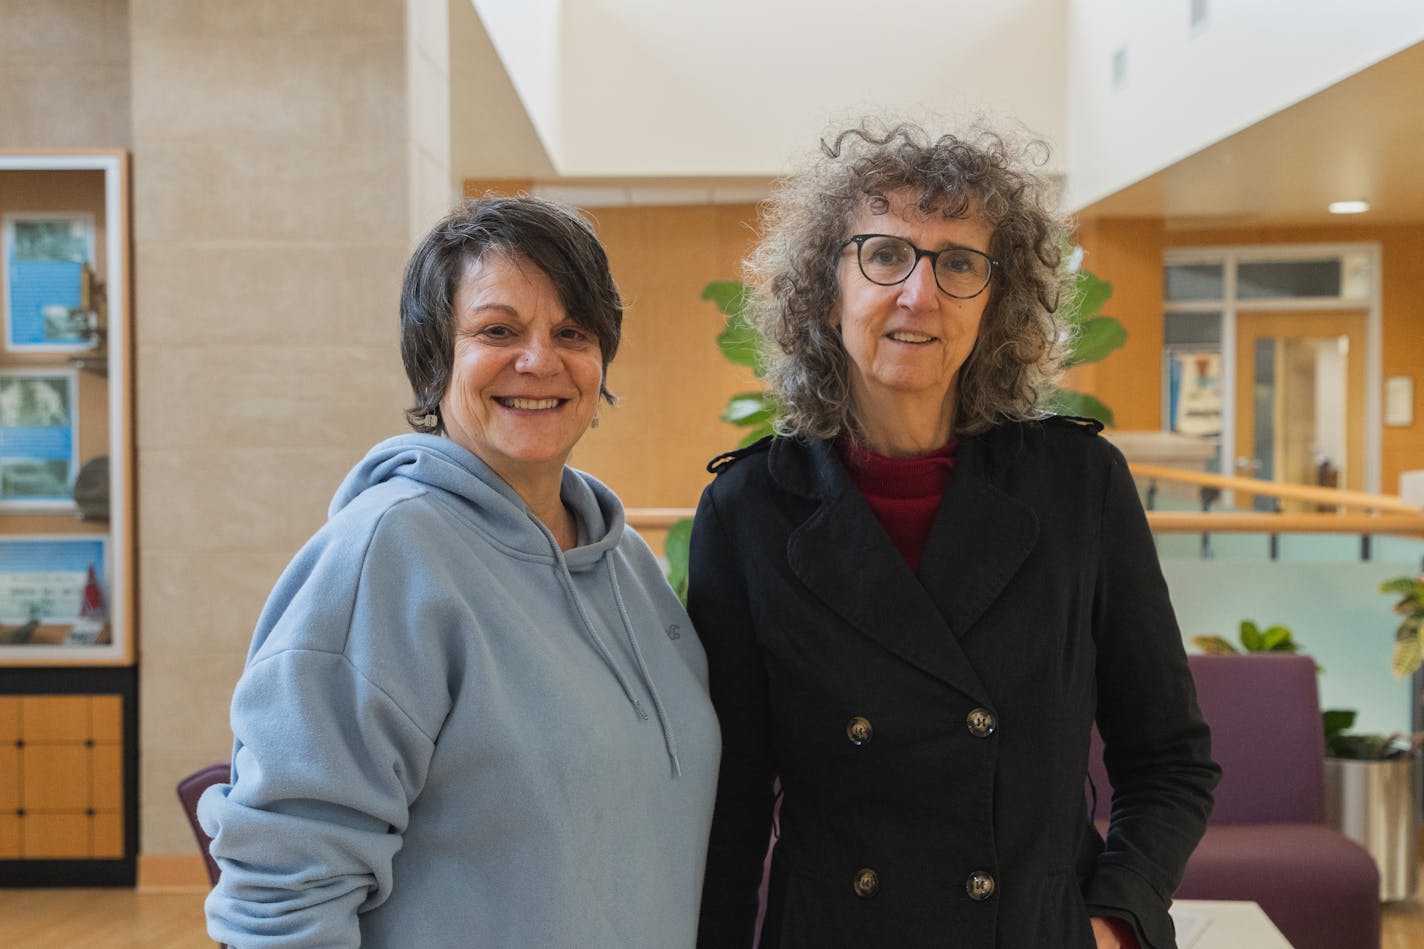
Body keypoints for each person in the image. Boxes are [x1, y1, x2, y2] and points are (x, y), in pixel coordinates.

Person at [688, 122, 1220, 949]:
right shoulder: (749, 508)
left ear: (995, 304)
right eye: (884, 254)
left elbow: (1170, 758)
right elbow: (733, 806)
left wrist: (1116, 920)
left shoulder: (1080, 488)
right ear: (827, 290)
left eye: (959, 263)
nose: (919, 293)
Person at [199, 196, 721, 948]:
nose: (539, 360)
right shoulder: (388, 555)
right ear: (436, 358)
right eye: (497, 330)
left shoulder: (629, 565)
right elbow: (283, 891)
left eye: (571, 332)